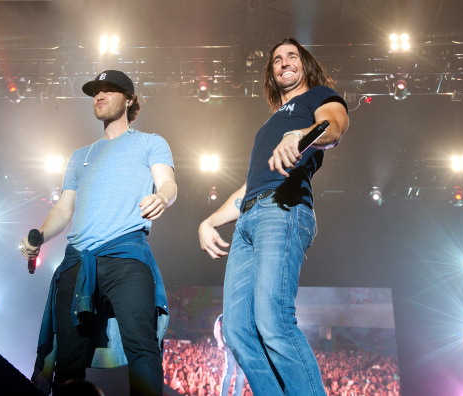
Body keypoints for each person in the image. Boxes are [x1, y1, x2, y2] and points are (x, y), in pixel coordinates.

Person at [198, 37, 349, 395]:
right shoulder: (267, 126)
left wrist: (301, 134)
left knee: (273, 319)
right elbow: (249, 187)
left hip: (283, 210)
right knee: (236, 329)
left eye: (292, 56)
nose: (284, 61)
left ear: (305, 64)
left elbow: (334, 127)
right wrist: (210, 221)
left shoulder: (319, 97)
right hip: (250, 217)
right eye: (277, 59)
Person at [20, 70, 177, 396]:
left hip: (127, 257)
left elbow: (168, 183)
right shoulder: (81, 156)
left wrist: (162, 196)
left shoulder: (150, 143)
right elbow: (64, 209)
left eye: (110, 90)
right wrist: (40, 235)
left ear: (130, 99)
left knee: (143, 349)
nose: (99, 96)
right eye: (96, 92)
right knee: (69, 360)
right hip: (78, 263)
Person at [214, 314, 245, 396]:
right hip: (240, 345)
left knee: (229, 371)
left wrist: (219, 341)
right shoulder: (241, 314)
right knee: (240, 373)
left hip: (229, 344)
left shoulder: (223, 315)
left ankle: (223, 394)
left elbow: (217, 329)